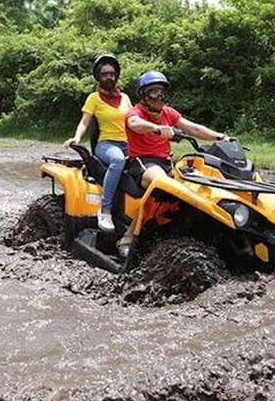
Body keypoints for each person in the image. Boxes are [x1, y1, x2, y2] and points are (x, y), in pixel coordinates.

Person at [116, 71, 228, 257]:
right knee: (162, 185)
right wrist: (157, 128)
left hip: (167, 163)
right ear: (143, 95)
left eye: (162, 92)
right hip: (143, 163)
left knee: (199, 185)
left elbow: (192, 127)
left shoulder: (169, 113)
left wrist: (220, 137)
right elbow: (135, 124)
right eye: (153, 91)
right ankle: (127, 237)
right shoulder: (135, 112)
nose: (159, 96)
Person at [63, 54, 133, 231]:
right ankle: (106, 209)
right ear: (99, 77)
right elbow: (84, 122)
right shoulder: (94, 98)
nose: (109, 77)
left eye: (112, 73)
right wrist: (77, 138)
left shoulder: (125, 98)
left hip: (129, 143)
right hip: (106, 144)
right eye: (104, 74)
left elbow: (134, 122)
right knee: (118, 160)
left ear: (116, 75)